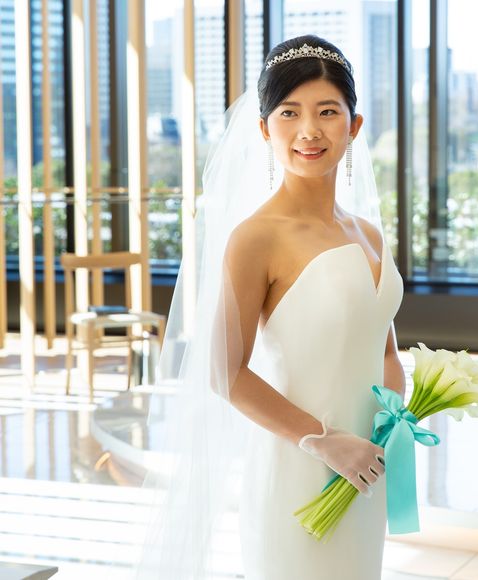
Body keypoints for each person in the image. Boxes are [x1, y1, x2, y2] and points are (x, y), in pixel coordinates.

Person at [134, 35, 406, 580]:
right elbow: (224, 372)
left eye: (327, 111)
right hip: (299, 469)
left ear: (353, 126)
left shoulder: (370, 234)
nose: (309, 130)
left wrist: (394, 425)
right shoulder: (256, 237)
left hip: (366, 467)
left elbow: (385, 352)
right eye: (289, 112)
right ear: (264, 129)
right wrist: (323, 441)